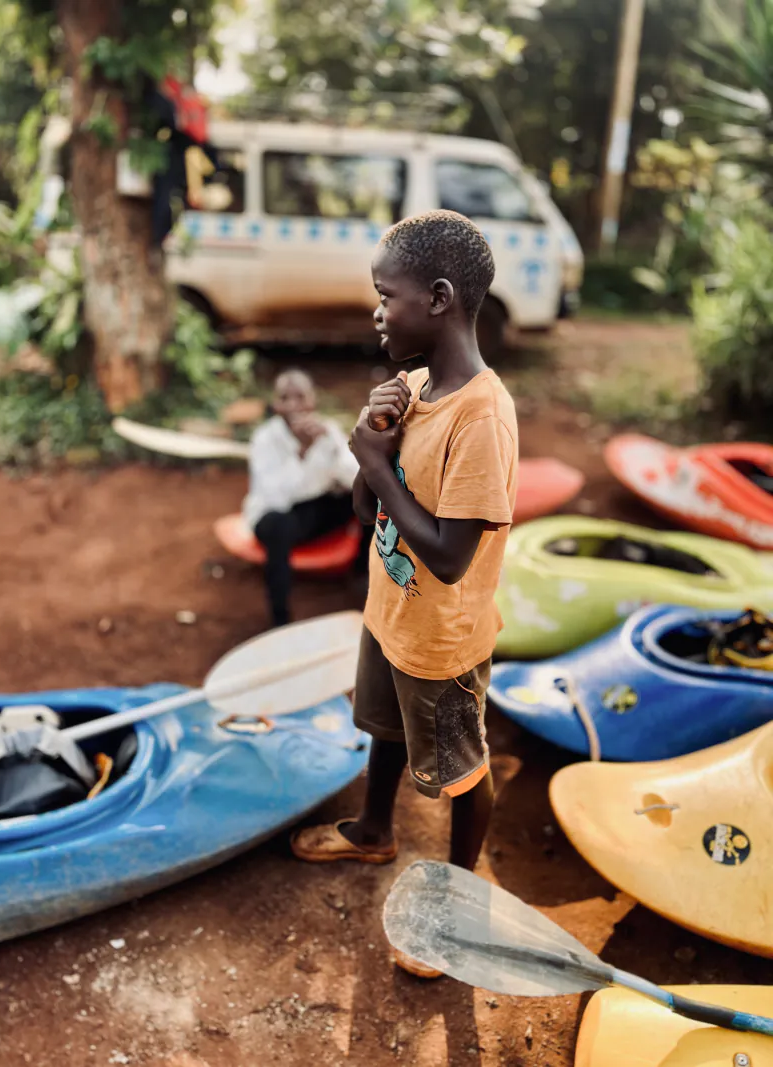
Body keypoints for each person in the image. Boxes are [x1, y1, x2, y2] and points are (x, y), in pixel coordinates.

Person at [292, 209, 519, 978]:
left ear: (441, 298)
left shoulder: (482, 416)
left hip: (443, 639)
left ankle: (460, 907)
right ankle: (374, 828)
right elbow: (367, 509)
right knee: (384, 728)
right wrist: (374, 443)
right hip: (392, 614)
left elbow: (453, 557)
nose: (377, 311)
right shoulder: (416, 385)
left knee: (461, 767)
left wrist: (378, 464)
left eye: (387, 295)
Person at [243, 369, 361, 627]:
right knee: (278, 524)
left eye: (301, 397)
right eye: (285, 398)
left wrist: (328, 446)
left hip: (314, 512)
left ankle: (363, 580)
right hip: (276, 518)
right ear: (275, 404)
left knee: (367, 499)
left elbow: (355, 478)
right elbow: (276, 499)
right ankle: (280, 617)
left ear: (313, 400)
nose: (294, 405)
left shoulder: (327, 431)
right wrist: (303, 450)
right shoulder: (265, 439)